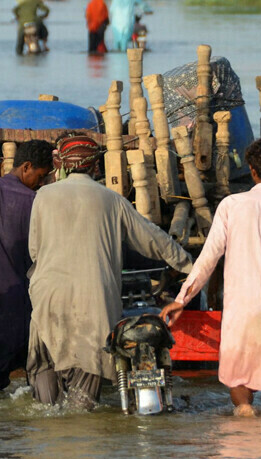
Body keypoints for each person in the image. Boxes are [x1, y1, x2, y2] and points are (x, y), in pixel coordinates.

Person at [26, 134, 193, 409]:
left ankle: (47, 423)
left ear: (64, 165)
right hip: (94, 300)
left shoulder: (43, 196)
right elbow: (153, 239)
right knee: (86, 379)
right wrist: (188, 265)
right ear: (95, 167)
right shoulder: (111, 199)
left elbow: (34, 250)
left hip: (48, 295)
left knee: (45, 370)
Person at [160, 137, 261, 415]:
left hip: (243, 310)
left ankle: (244, 424)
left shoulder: (231, 206)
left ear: (251, 170)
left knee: (239, 380)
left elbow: (208, 258)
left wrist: (181, 299)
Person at [0, 140, 55, 391]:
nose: (41, 181)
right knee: (32, 373)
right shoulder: (34, 202)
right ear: (26, 167)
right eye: (40, 175)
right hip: (20, 300)